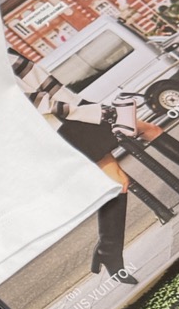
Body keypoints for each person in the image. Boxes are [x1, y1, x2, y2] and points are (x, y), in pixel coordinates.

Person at [50, 94, 137, 283]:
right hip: (65, 123)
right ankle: (108, 251)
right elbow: (40, 100)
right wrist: (89, 111)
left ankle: (108, 250)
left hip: (71, 120)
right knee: (118, 182)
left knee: (119, 181)